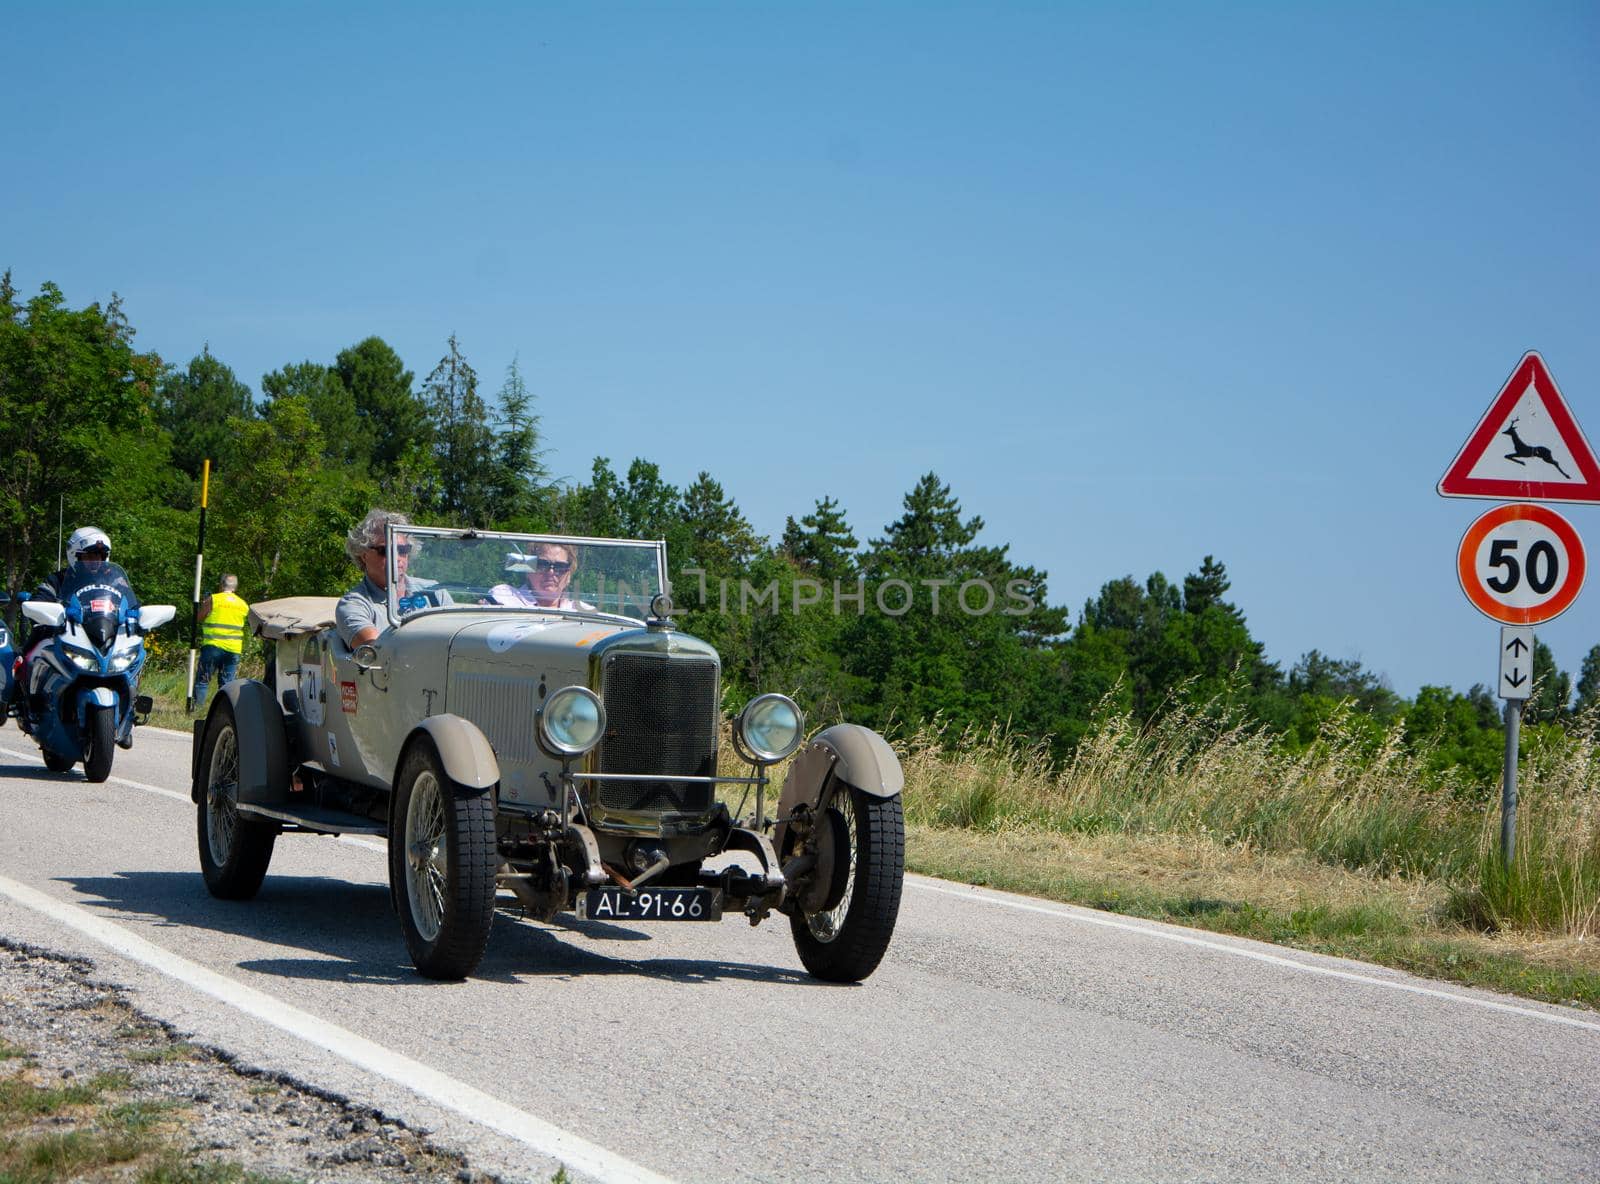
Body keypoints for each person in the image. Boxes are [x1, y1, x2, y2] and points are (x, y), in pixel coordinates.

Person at [15, 527, 140, 698]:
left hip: (102, 637)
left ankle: (131, 696)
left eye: (99, 556)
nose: (95, 561)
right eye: (89, 556)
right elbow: (40, 600)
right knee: (36, 650)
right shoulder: (58, 579)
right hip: (65, 634)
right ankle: (28, 695)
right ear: (75, 556)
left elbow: (133, 605)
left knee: (136, 652)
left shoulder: (115, 581)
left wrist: (136, 615)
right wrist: (48, 611)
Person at [336, 509, 418, 648]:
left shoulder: (435, 592)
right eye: (385, 551)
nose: (397, 558)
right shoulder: (354, 605)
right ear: (364, 555)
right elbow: (379, 651)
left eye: (403, 550)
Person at [192, 573, 247, 711]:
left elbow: (199, 617)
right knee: (226, 685)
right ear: (235, 587)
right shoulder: (243, 605)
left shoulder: (214, 599)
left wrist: (203, 604)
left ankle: (198, 710)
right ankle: (223, 712)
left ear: (221, 584)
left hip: (214, 646)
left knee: (203, 680)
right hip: (234, 649)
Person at [485, 541, 594, 610]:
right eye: (542, 565)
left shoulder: (583, 611)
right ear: (528, 570)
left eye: (560, 567)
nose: (551, 572)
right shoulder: (505, 596)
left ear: (569, 575)